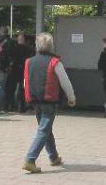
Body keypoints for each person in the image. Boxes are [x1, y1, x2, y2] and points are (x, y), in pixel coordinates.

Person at [22, 32, 76, 174]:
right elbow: (65, 81)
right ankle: (30, 159)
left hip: (35, 100)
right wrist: (71, 97)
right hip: (49, 101)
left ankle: (53, 157)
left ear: (37, 46)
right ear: (51, 46)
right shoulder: (55, 62)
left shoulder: (29, 61)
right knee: (44, 130)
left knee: (46, 129)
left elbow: (25, 81)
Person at [11, 32, 33, 113]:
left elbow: (12, 59)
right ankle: (22, 106)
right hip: (24, 71)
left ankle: (14, 105)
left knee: (15, 88)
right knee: (22, 89)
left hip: (15, 71)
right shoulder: (28, 49)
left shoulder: (14, 48)